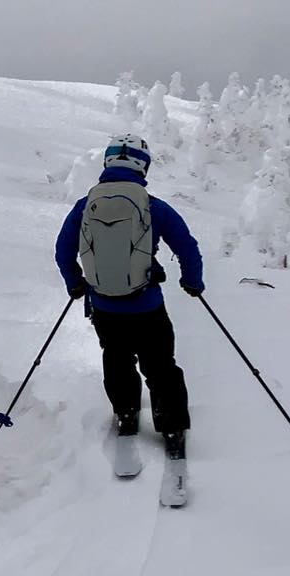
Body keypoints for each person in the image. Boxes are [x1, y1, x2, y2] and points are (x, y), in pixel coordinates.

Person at [55, 134, 204, 458]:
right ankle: (173, 428)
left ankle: (126, 415)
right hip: (148, 305)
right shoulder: (153, 207)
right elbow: (187, 247)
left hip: (105, 307)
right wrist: (193, 282)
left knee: (117, 358)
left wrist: (75, 283)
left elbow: (62, 250)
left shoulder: (84, 205)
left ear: (108, 163)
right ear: (143, 167)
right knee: (161, 365)